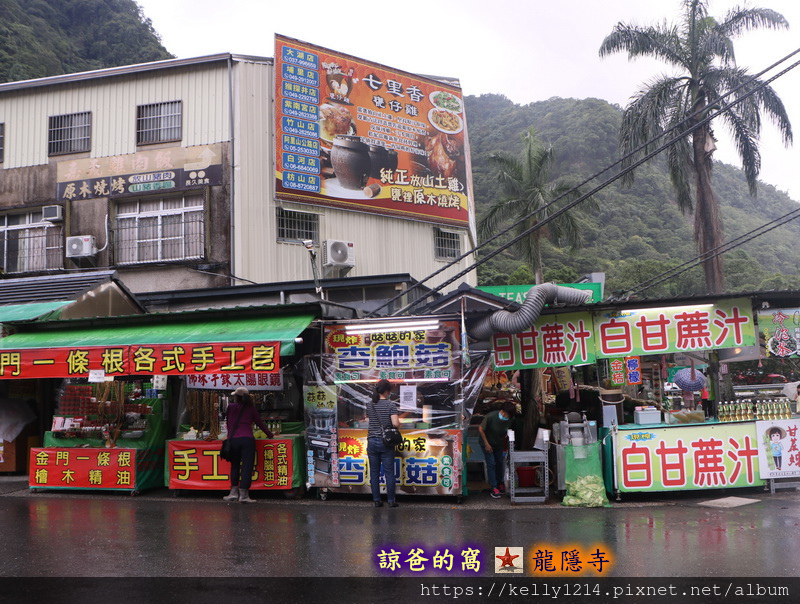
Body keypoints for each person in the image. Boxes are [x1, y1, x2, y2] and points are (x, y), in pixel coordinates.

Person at [223, 386, 273, 503]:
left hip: (233, 440)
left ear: (236, 397)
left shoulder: (230, 407)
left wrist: (229, 437)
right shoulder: (251, 408)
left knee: (235, 466)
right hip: (247, 440)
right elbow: (260, 423)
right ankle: (244, 495)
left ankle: (233, 493)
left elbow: (229, 423)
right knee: (246, 467)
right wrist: (270, 435)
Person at [366, 379, 400, 508]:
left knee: (374, 472)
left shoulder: (370, 404)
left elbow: (369, 420)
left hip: (372, 441)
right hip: (386, 442)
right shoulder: (390, 405)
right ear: (387, 391)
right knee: (389, 473)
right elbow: (395, 423)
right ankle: (391, 501)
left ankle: (376, 500)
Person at [479, 401, 518, 498]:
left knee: (499, 462)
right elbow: (481, 429)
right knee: (491, 463)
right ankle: (494, 487)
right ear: (503, 412)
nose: (508, 417)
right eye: (508, 414)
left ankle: (500, 483)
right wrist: (487, 444)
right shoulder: (491, 416)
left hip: (498, 444)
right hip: (487, 443)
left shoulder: (511, 419)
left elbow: (508, 430)